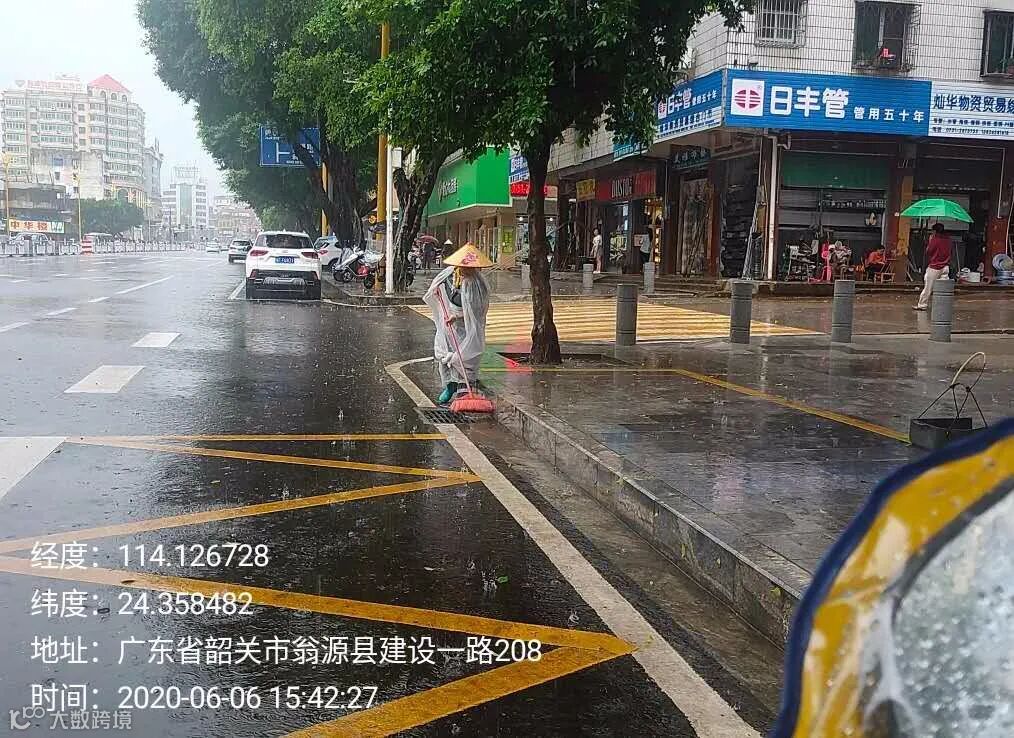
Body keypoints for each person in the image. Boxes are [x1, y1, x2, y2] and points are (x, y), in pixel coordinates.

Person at [422, 243, 492, 405]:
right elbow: (437, 286)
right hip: (447, 323)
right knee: (444, 353)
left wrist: (457, 316)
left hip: (466, 327)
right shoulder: (450, 274)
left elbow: (476, 310)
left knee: (464, 359)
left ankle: (464, 391)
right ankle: (449, 385)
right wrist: (437, 292)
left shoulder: (476, 283)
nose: (465, 270)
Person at [915, 223, 953, 311]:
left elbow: (929, 251)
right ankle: (942, 306)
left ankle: (922, 305)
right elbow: (951, 251)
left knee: (928, 288)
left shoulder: (935, 239)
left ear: (935, 231)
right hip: (945, 267)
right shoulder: (948, 240)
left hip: (934, 267)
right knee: (943, 289)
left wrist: (930, 241)